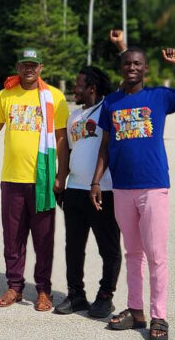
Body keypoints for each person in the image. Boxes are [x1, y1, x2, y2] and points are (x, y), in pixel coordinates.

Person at [91, 47, 175, 340]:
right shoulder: (112, 102)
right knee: (133, 253)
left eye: (137, 64)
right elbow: (105, 146)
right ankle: (136, 311)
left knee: (156, 255)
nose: (132, 67)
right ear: (121, 69)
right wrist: (96, 182)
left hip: (153, 186)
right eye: (127, 64)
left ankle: (159, 316)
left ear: (145, 69)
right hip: (121, 188)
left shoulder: (159, 96)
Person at [0, 48, 69, 312]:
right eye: (24, 65)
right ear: (18, 66)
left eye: (34, 65)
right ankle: (14, 286)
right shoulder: (6, 96)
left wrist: (61, 175)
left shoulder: (54, 97)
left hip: (42, 179)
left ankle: (44, 290)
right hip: (12, 179)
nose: (29, 69)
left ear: (41, 67)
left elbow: (60, 138)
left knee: (44, 239)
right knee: (13, 238)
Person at [54, 66, 121, 318]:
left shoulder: (108, 108)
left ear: (92, 87)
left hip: (104, 191)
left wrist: (121, 48)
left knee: (109, 248)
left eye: (78, 84)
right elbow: (68, 152)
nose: (74, 88)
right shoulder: (73, 116)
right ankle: (76, 295)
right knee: (73, 247)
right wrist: (61, 180)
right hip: (74, 191)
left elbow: (124, 92)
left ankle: (105, 297)